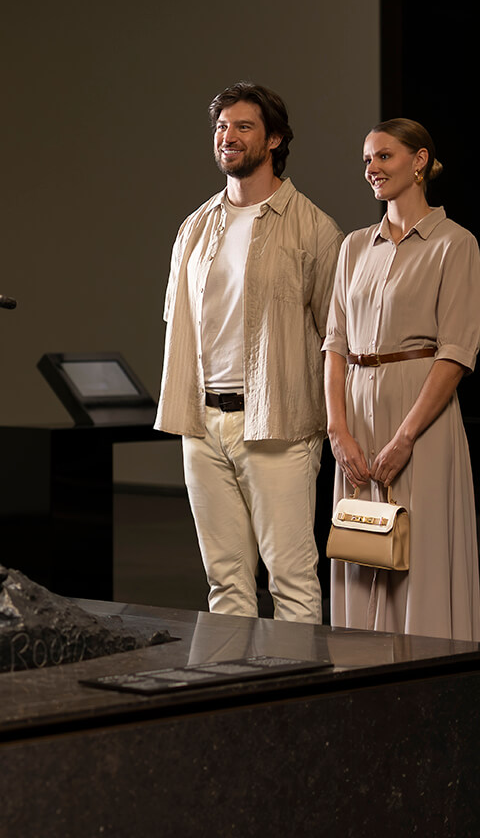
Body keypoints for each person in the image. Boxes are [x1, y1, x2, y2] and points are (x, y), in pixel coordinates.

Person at [157, 83, 342, 624]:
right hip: (203, 421)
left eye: (243, 126)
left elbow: (336, 337)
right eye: (221, 127)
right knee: (225, 582)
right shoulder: (194, 227)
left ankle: (297, 703)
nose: (227, 137)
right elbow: (180, 322)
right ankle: (234, 701)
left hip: (280, 425)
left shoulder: (314, 228)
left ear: (275, 139)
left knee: (291, 579)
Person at [324, 118, 480, 640]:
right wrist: (337, 431)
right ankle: (359, 666)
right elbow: (335, 345)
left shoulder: (454, 244)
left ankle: (427, 672)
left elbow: (454, 353)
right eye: (367, 159)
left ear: (419, 163)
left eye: (384, 157)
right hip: (357, 416)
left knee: (420, 549)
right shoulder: (352, 248)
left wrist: (405, 437)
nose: (371, 169)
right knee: (360, 544)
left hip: (419, 418)